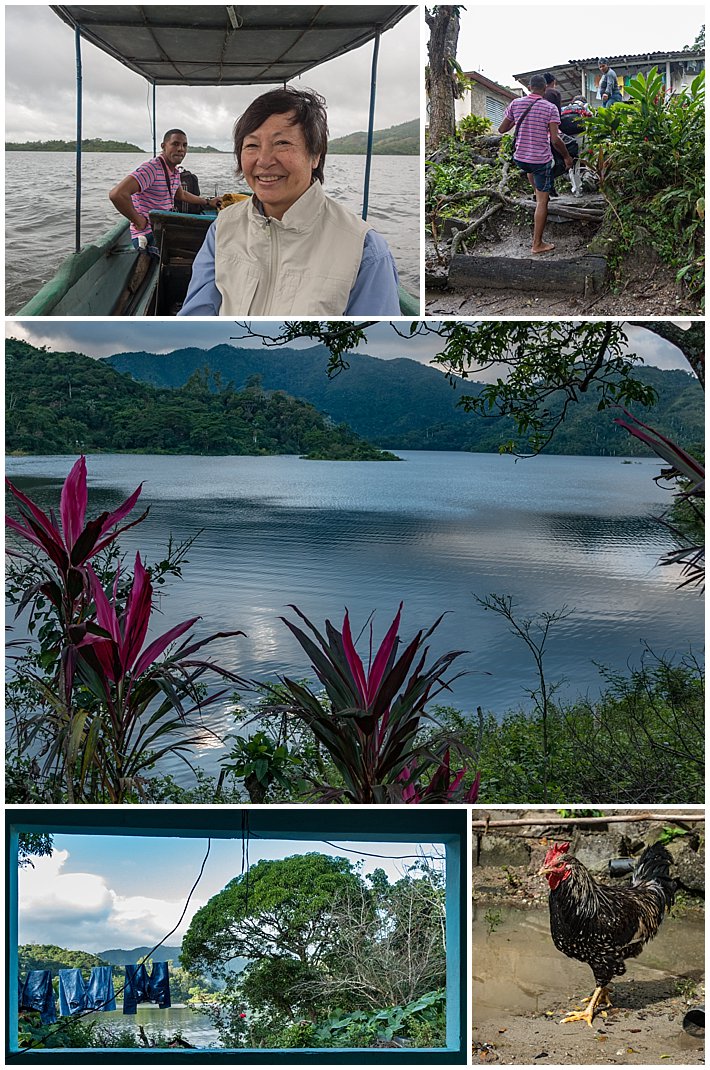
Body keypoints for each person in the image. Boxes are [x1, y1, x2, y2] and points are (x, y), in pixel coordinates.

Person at [179, 87, 400, 316]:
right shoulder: (222, 228)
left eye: (282, 143)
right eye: (252, 145)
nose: (264, 161)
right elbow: (197, 316)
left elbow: (371, 344)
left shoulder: (364, 250)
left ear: (316, 155)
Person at [109, 130, 221, 256]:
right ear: (163, 146)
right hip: (149, 235)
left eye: (184, 145)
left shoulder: (173, 171)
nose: (180, 149)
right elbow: (117, 194)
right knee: (205, 252)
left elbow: (181, 195)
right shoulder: (152, 169)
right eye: (175, 144)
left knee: (211, 240)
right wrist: (138, 220)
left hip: (164, 228)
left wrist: (207, 201)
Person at [499, 73, 573, 255]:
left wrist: (517, 122)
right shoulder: (550, 108)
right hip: (539, 159)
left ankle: (536, 191)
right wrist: (566, 157)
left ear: (529, 87)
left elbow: (502, 129)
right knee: (543, 201)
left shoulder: (516, 104)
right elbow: (555, 140)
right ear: (545, 88)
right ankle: (537, 244)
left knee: (531, 170)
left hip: (521, 158)